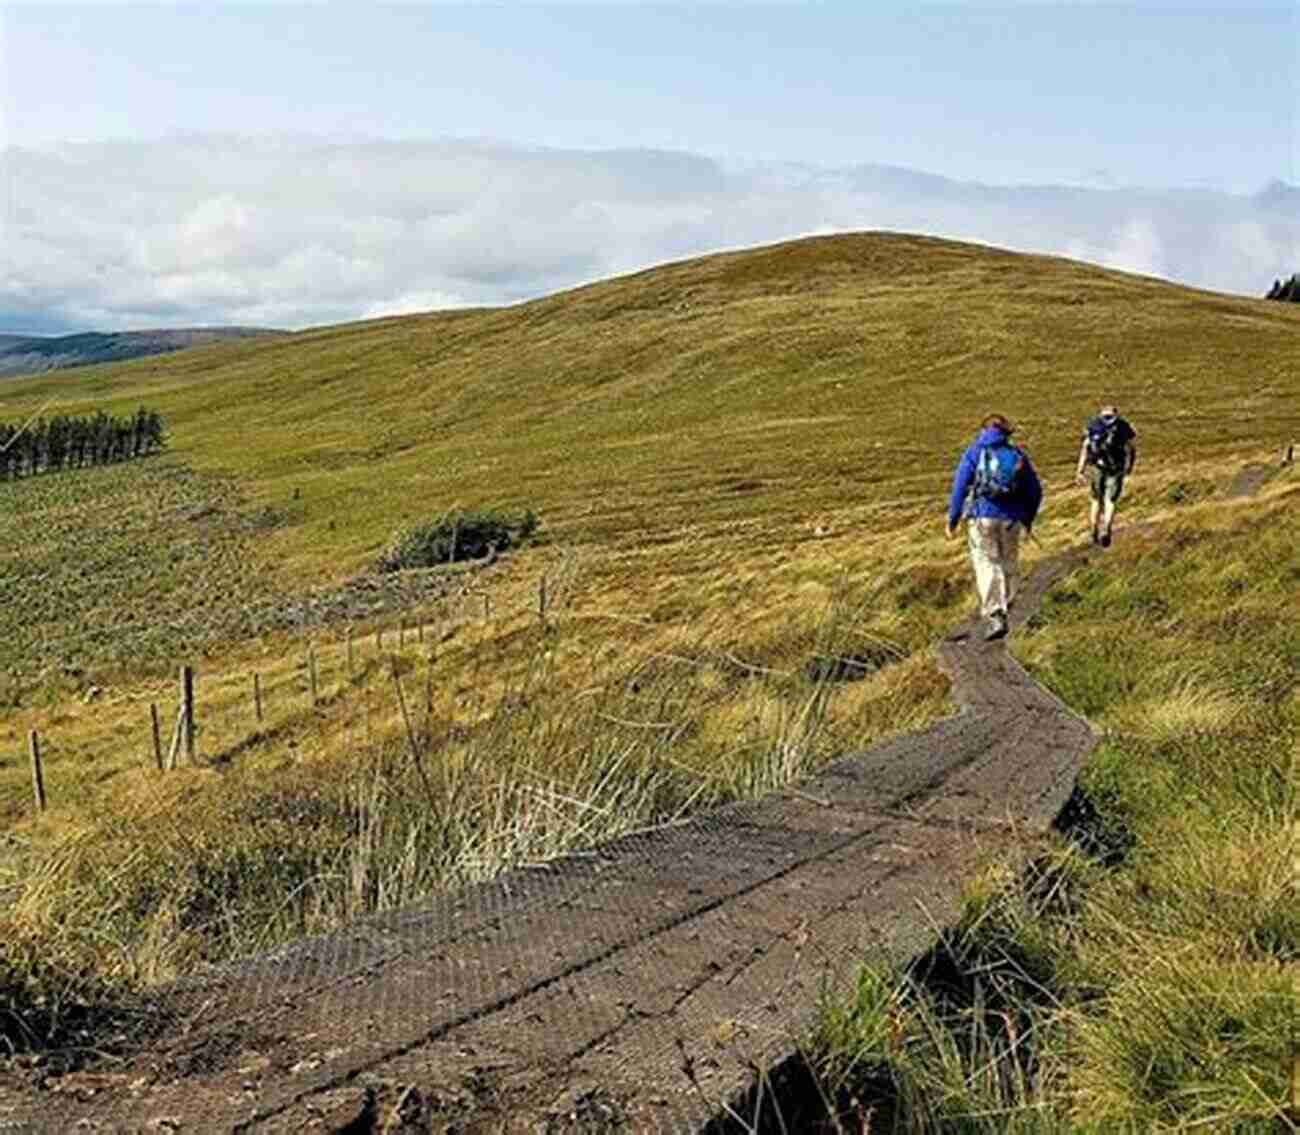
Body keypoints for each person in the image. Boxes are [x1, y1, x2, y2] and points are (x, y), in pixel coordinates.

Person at [945, 414, 1043, 641]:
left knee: (987, 562)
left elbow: (959, 486)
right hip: (1011, 519)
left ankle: (995, 612)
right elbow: (1035, 491)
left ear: (983, 431)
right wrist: (1028, 518)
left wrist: (953, 519)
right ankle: (1006, 606)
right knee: (1008, 563)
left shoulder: (974, 453)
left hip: (982, 517)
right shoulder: (1017, 455)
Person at [1075, 405, 1137, 547]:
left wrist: (1080, 470)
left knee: (1095, 500)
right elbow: (1131, 448)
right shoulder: (1122, 427)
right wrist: (1129, 466)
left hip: (1098, 466)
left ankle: (1093, 529)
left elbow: (1085, 448)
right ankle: (1106, 527)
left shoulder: (1094, 426)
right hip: (1116, 468)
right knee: (1111, 501)